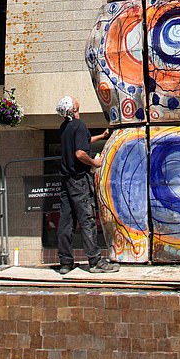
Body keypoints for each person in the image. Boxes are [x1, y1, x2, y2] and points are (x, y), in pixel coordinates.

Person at [55, 96, 119, 274]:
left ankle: (65, 263)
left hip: (66, 180)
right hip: (79, 180)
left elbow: (82, 142)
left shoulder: (65, 127)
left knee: (66, 222)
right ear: (73, 108)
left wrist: (102, 136)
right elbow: (80, 152)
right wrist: (94, 163)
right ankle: (95, 261)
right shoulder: (80, 126)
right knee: (87, 219)